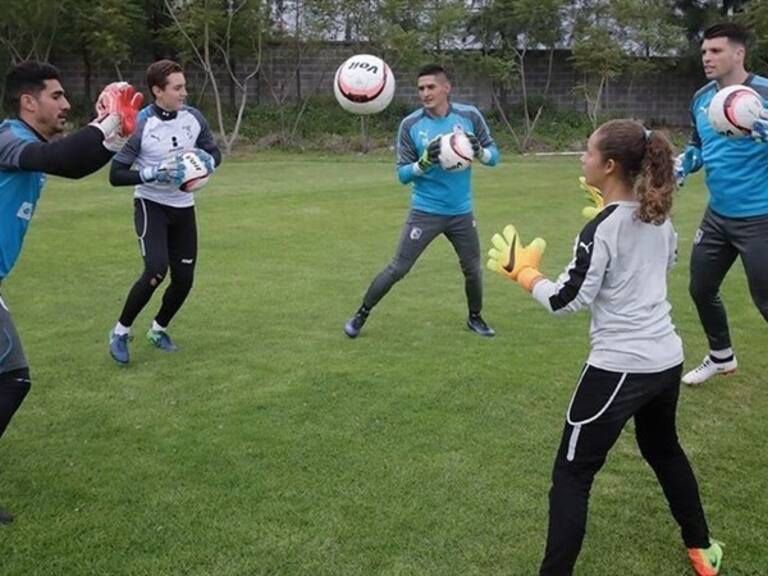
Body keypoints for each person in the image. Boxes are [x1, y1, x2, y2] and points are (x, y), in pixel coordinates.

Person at [488, 120, 722, 575]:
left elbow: (564, 301)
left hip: (619, 367)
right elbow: (663, 261)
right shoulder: (658, 219)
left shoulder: (602, 229)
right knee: (664, 449)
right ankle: (701, 547)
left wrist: (524, 274)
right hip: (665, 359)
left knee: (572, 476)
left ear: (609, 165)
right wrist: (612, 215)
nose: (582, 157)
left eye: (588, 151)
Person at [0, 61, 141, 524]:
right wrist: (106, 123)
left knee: (12, 377)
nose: (65, 104)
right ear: (28, 101)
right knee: (13, 377)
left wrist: (115, 135)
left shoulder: (32, 145)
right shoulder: (7, 140)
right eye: (56, 96)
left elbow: (76, 165)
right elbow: (59, 159)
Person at [343, 64, 500, 338]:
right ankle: (360, 315)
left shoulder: (470, 116)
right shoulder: (411, 125)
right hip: (426, 211)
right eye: (420, 89)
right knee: (398, 268)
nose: (425, 93)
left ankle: (475, 318)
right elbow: (403, 175)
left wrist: (480, 152)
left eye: (431, 87)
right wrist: (424, 162)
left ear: (446, 88)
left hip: (461, 212)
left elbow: (494, 156)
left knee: (473, 269)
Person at [107, 59, 221, 365]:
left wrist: (203, 164)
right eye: (177, 87)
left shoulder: (193, 118)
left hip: (184, 209)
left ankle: (158, 329)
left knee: (184, 280)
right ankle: (120, 332)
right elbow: (116, 174)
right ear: (158, 91)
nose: (185, 93)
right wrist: (153, 173)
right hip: (151, 205)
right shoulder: (141, 124)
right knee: (156, 270)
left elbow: (214, 153)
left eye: (184, 86)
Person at [675, 22, 768, 385]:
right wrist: (683, 165)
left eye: (715, 51)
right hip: (717, 217)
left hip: (760, 218)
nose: (707, 58)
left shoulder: (763, 94)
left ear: (739, 53)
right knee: (701, 287)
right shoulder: (701, 98)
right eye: (704, 52)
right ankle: (721, 357)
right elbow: (699, 146)